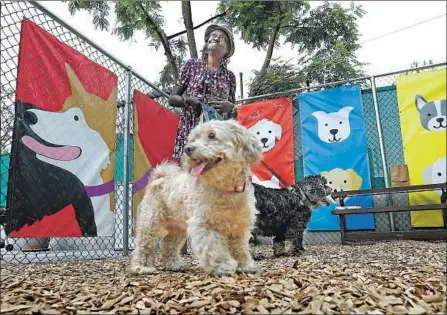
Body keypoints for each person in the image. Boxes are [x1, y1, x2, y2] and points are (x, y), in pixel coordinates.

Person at [169, 23, 238, 162]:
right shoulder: (192, 65)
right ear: (207, 42)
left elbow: (234, 114)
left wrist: (230, 107)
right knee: (190, 171)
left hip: (217, 133)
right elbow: (172, 99)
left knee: (214, 171)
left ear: (227, 50)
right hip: (191, 127)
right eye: (213, 35)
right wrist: (189, 101)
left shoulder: (230, 76)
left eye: (222, 38)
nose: (217, 38)